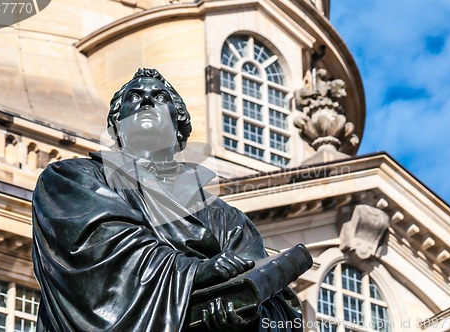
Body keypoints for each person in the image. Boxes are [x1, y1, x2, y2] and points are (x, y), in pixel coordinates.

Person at [32, 68, 303, 331]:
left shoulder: (226, 218)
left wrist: (247, 317)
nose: (147, 100)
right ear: (116, 126)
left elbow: (279, 309)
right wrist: (193, 272)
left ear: (179, 127)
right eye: (134, 97)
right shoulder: (70, 178)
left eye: (161, 98)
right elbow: (102, 249)